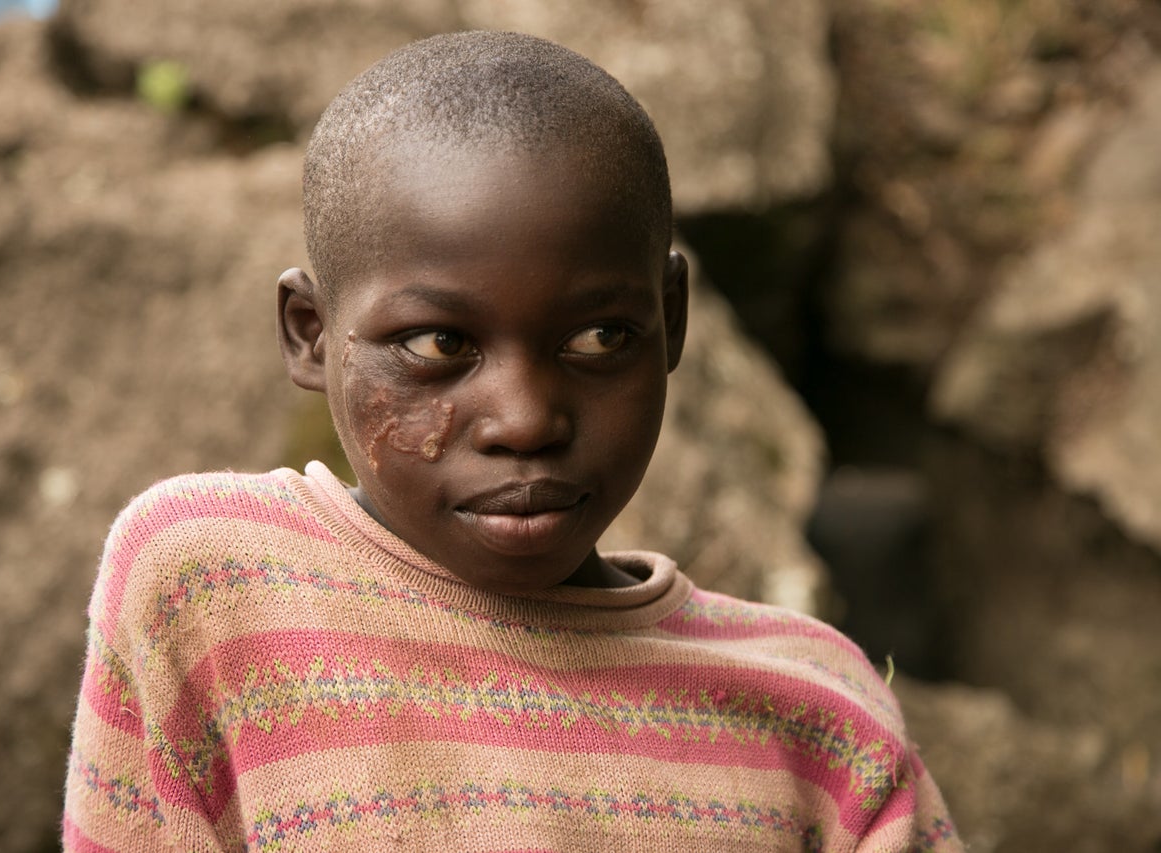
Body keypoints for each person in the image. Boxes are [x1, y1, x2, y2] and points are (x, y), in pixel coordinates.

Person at [62, 31, 962, 852]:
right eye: (439, 345)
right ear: (309, 333)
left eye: (600, 338)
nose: (528, 418)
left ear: (672, 320)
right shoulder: (213, 589)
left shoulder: (821, 718)